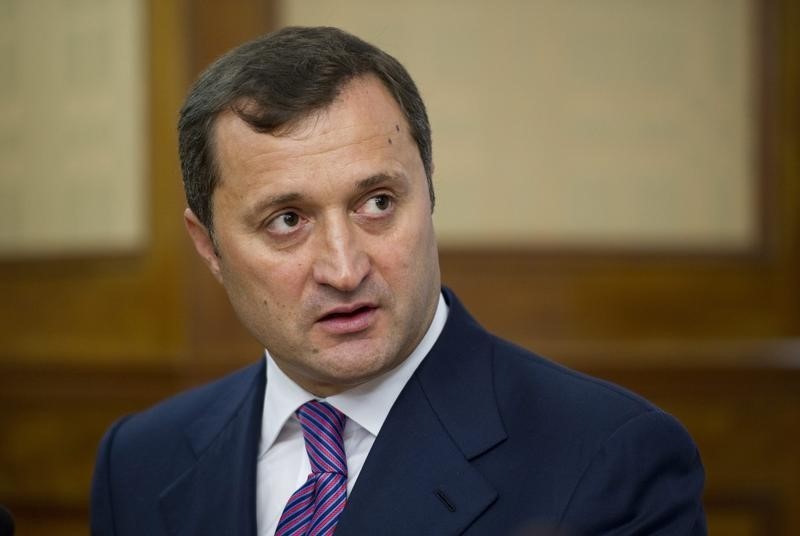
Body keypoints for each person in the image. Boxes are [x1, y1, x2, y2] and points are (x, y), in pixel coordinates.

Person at [91, 26, 706, 535]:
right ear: (210, 247)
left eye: (378, 203)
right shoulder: (139, 462)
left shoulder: (608, 460)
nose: (345, 267)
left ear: (430, 191)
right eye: (287, 220)